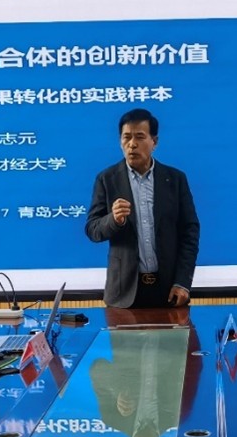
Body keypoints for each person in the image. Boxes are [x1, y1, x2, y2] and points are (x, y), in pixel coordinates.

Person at [85, 108, 200, 309]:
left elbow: (190, 232)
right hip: (124, 293)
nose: (132, 144)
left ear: (154, 142)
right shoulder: (107, 179)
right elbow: (93, 230)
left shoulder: (175, 179)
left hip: (169, 291)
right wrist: (114, 220)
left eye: (139, 137)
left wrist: (182, 282)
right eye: (126, 137)